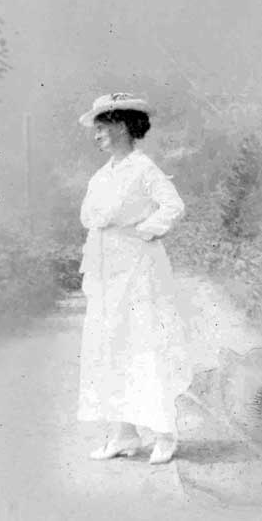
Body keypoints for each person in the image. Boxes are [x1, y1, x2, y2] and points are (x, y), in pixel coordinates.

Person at [77, 92, 192, 464]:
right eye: (95, 129)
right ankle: (124, 435)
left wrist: (145, 231)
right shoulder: (101, 175)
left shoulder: (144, 168)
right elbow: (91, 217)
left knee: (144, 344)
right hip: (105, 268)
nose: (97, 135)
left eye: (102, 127)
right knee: (110, 347)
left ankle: (164, 434)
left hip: (139, 269)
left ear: (123, 126)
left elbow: (173, 205)